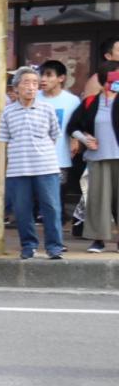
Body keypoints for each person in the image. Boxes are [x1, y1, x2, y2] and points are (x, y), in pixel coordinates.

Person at [0, 66, 64, 260]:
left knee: (51, 208)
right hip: (18, 170)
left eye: (35, 83)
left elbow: (54, 135)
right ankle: (28, 245)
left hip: (46, 167)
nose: (31, 87)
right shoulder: (7, 112)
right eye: (26, 83)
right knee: (22, 210)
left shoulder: (47, 109)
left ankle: (54, 247)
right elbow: (4, 140)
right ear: (16, 87)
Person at [67, 60, 119, 253]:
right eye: (115, 76)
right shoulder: (90, 102)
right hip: (97, 159)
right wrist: (84, 138)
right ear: (106, 79)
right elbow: (73, 126)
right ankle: (98, 240)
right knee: (98, 201)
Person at [37, 59, 80, 223]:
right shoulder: (35, 98)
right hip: (36, 155)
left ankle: (57, 221)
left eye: (49, 75)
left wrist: (76, 139)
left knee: (59, 191)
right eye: (42, 75)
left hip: (60, 155)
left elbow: (78, 124)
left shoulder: (72, 101)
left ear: (61, 78)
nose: (43, 79)